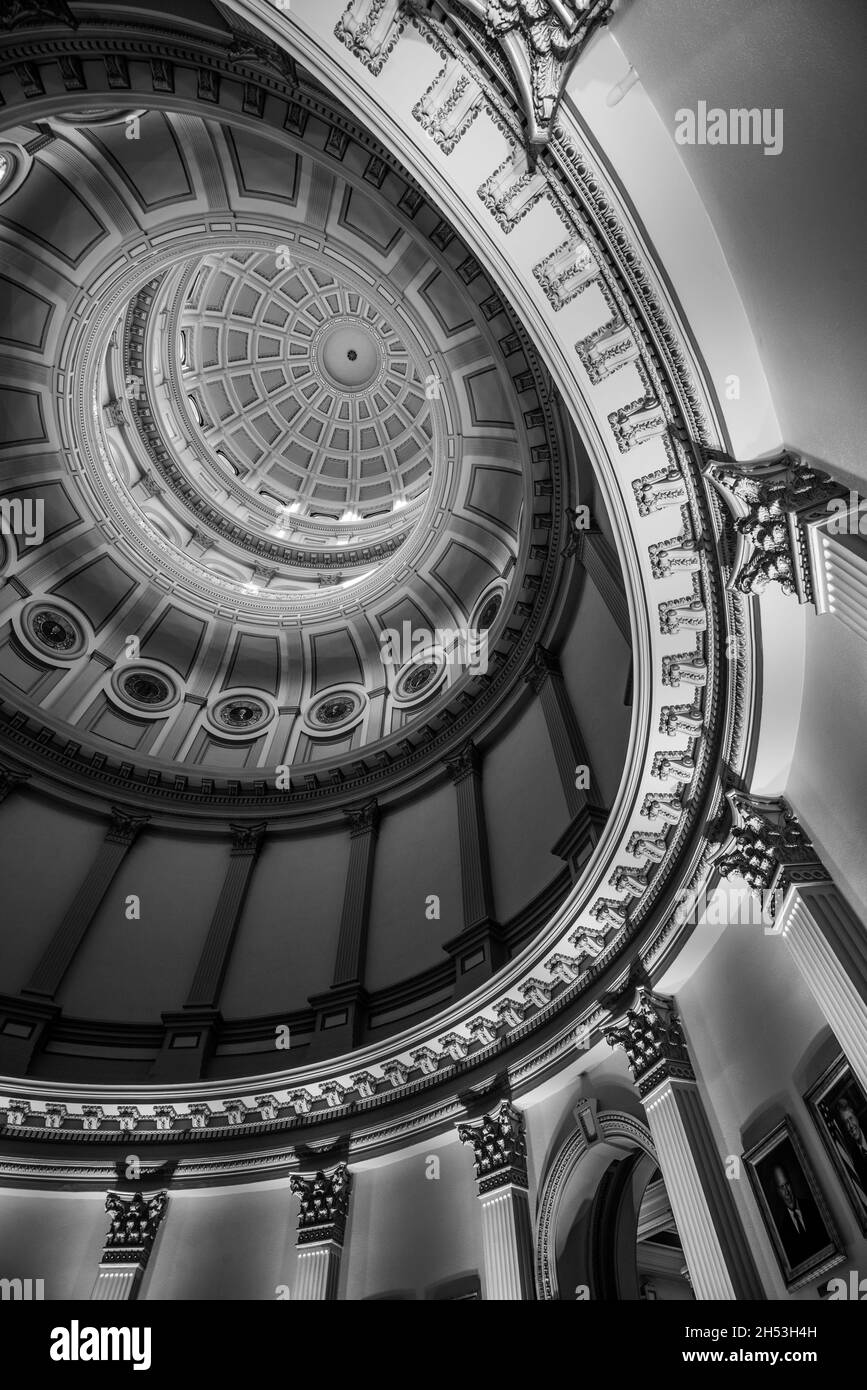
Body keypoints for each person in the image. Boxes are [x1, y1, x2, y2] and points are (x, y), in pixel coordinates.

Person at [769, 1161, 827, 1267]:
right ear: (778, 1192)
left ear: (791, 1183)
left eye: (787, 1185)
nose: (787, 1192)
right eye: (781, 1187)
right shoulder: (782, 1230)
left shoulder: (813, 1207)